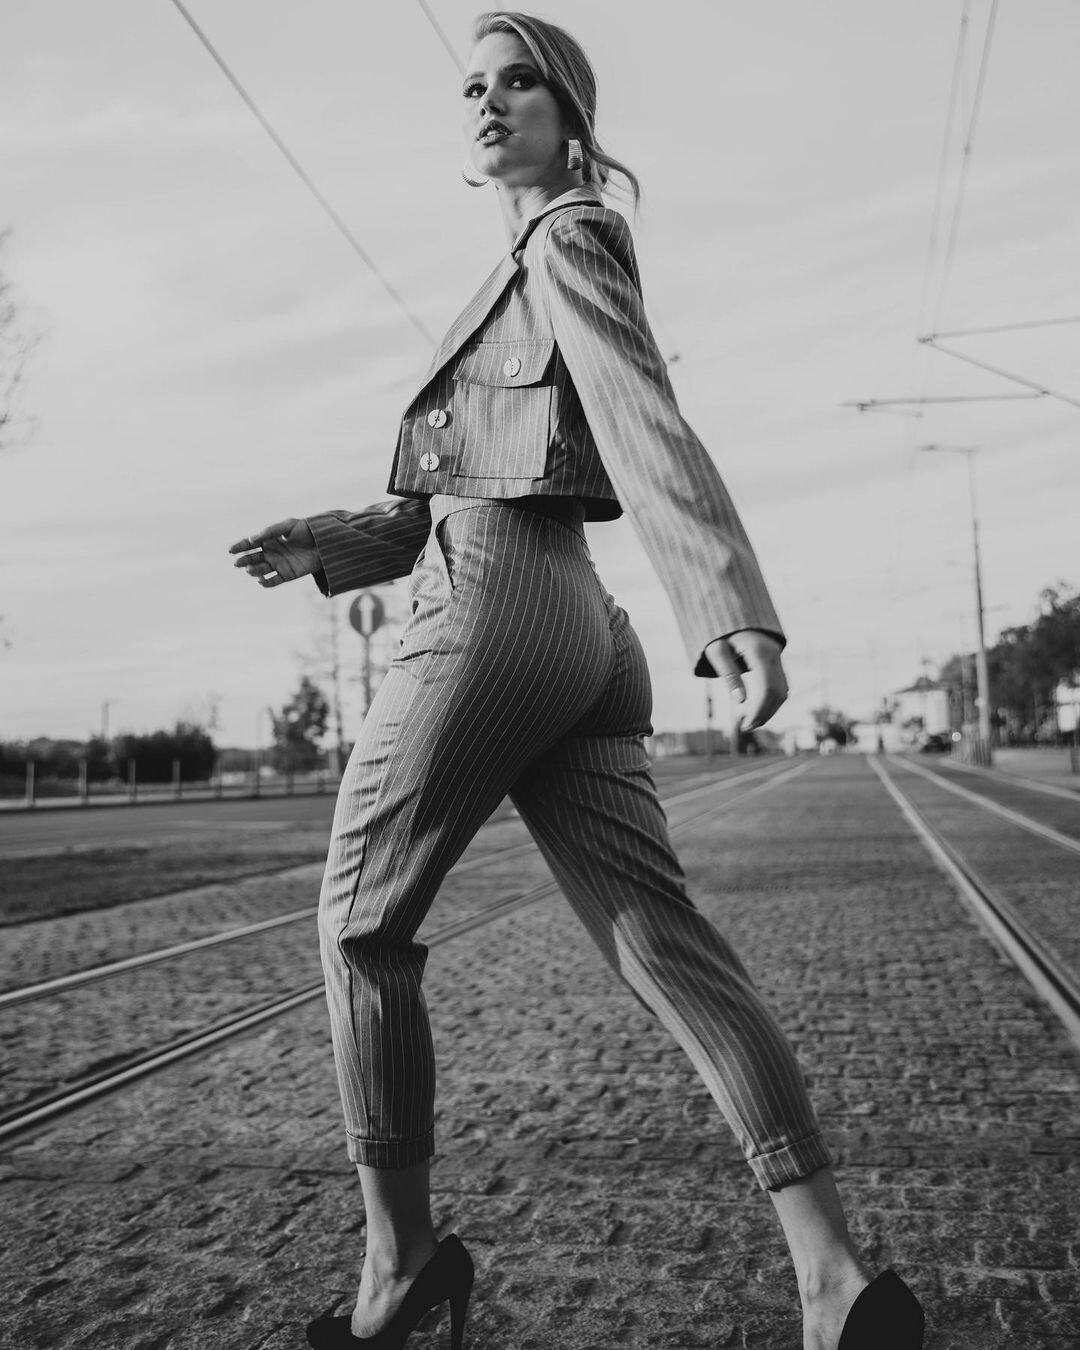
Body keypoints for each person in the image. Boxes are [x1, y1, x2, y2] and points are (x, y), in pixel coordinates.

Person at [229, 12, 924, 1350]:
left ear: (572, 115)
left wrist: (728, 599)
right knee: (665, 941)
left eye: (519, 82)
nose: (489, 103)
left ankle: (399, 1264)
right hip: (582, 632)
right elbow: (479, 477)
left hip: (495, 611)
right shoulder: (517, 267)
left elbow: (641, 412)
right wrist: (333, 540)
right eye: (471, 88)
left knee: (360, 927)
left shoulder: (569, 235)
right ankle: (836, 1280)